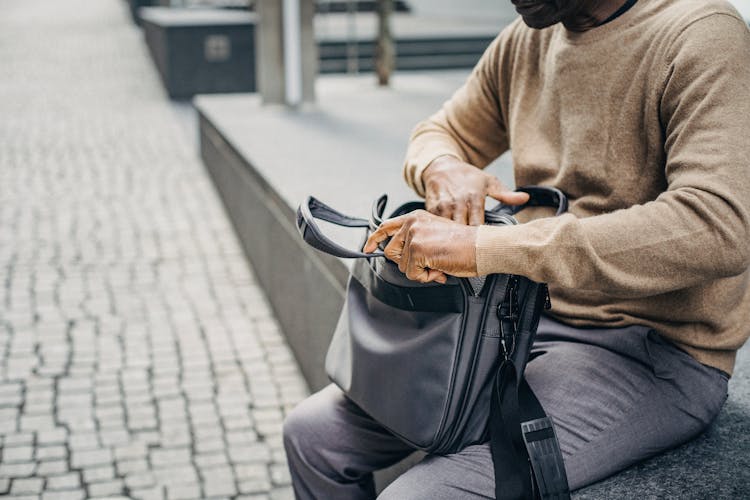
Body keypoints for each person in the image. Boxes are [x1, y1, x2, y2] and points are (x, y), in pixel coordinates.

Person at [283, 0, 750, 498]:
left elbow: (718, 224)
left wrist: (486, 247)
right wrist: (442, 167)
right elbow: (439, 133)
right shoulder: (528, 38)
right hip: (517, 323)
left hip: (650, 351)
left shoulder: (702, 35)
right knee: (313, 438)